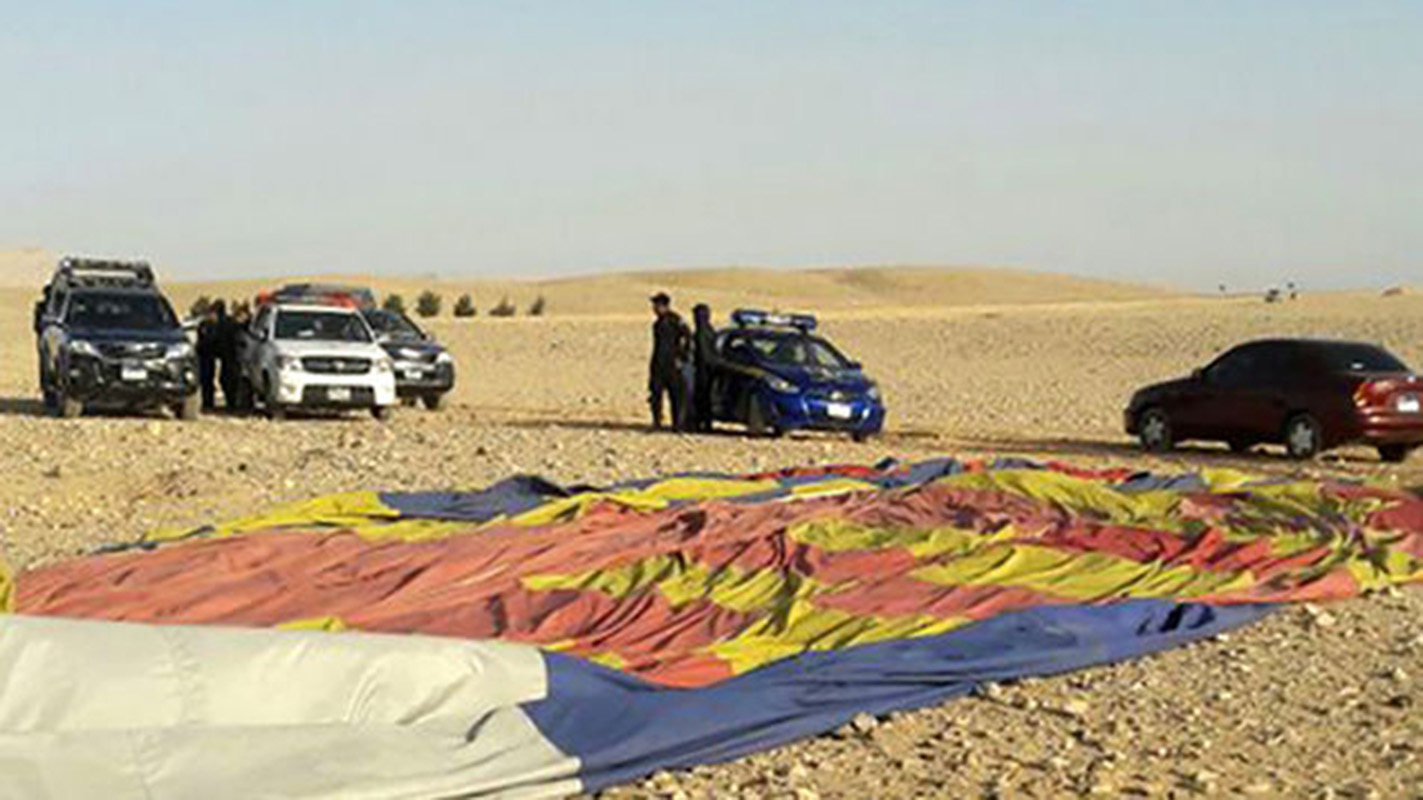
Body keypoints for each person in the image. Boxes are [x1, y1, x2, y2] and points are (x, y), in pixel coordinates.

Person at [647, 292, 690, 430]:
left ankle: (677, 425)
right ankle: (656, 422)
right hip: (658, 364)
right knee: (655, 394)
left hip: (672, 365)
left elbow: (687, 338)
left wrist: (682, 357)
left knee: (676, 396)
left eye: (656, 305)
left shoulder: (675, 320)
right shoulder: (657, 324)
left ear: (664, 305)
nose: (654, 308)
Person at [689, 303, 724, 432]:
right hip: (709, 370)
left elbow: (704, 354)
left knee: (702, 397)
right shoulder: (710, 331)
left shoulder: (702, 332)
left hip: (704, 371)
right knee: (705, 398)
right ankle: (705, 423)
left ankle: (702, 423)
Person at [196, 300, 226, 411]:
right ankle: (207, 402)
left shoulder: (214, 326)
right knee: (205, 381)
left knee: (208, 380)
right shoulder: (206, 325)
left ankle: (209, 402)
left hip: (209, 356)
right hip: (205, 356)